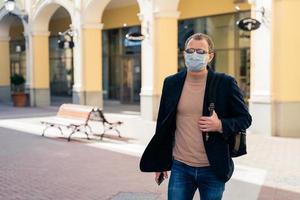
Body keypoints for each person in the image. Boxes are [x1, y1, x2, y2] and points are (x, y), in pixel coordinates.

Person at [139, 33, 252, 200]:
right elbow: (163, 125)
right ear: (184, 54)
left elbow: (245, 119)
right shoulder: (171, 83)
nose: (194, 55)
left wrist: (219, 125)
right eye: (190, 51)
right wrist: (161, 162)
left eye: (200, 52)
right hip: (180, 167)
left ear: (210, 56)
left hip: (213, 167)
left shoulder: (225, 83)